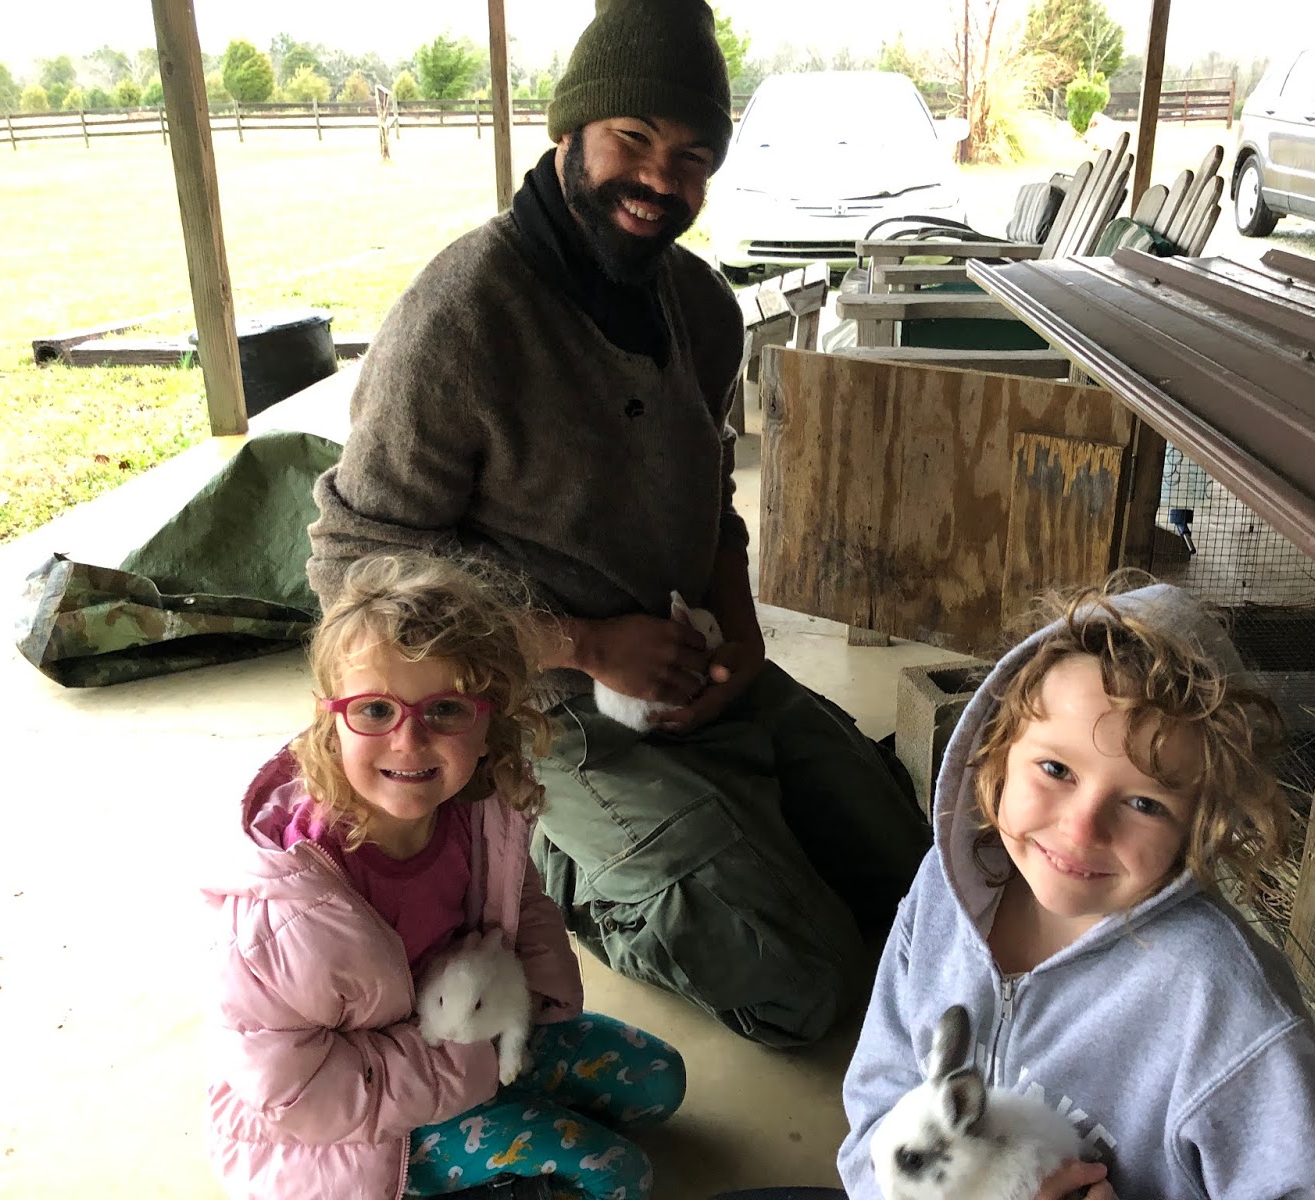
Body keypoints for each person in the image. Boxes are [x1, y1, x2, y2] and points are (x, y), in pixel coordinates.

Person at [305, 0, 929, 1048]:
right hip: (535, 704)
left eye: (690, 157)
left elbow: (712, 506)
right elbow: (354, 560)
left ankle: (717, 812)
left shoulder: (702, 304)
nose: (657, 181)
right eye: (631, 141)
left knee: (919, 884)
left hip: (692, 666)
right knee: (803, 986)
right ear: (570, 136)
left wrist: (742, 639)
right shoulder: (462, 313)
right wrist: (589, 648)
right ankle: (551, 858)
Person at [837, 581, 1315, 1199]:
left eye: (1143, 803)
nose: (1081, 828)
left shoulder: (1222, 1009)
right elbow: (878, 1105)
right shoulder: (943, 890)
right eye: (1056, 769)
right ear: (998, 752)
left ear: (1199, 825)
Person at [204, 553, 686, 1200]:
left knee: (662, 1080)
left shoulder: (477, 808)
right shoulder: (285, 913)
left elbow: (517, 895)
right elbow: (295, 1095)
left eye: (447, 710)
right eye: (375, 710)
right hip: (362, 1135)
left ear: (492, 723)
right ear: (330, 719)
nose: (408, 740)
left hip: (474, 1033)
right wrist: (471, 1069)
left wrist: (535, 998)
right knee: (620, 1176)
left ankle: (510, 1132)